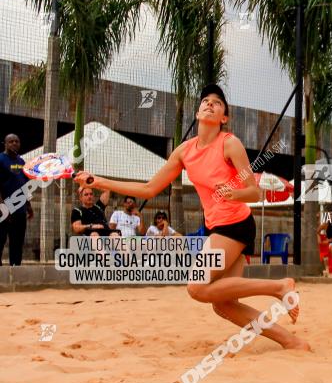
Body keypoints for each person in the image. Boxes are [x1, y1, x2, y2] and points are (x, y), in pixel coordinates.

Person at [74, 84, 308, 351]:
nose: (210, 104)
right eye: (205, 101)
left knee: (196, 287)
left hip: (235, 224)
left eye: (217, 103)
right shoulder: (185, 151)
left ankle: (279, 286)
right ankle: (291, 342)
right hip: (217, 228)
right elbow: (149, 188)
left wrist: (232, 192)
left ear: (224, 118)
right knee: (223, 305)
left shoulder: (229, 143)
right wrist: (100, 181)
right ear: (197, 113)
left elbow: (254, 192)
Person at [0, 134, 33, 265]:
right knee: (0, 239)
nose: (14, 143)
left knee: (17, 242)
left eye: (17, 141)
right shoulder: (1, 159)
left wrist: (28, 205)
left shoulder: (21, 161)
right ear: (5, 144)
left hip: (20, 209)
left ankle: (15, 269)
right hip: (3, 209)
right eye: (11, 141)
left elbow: (24, 185)